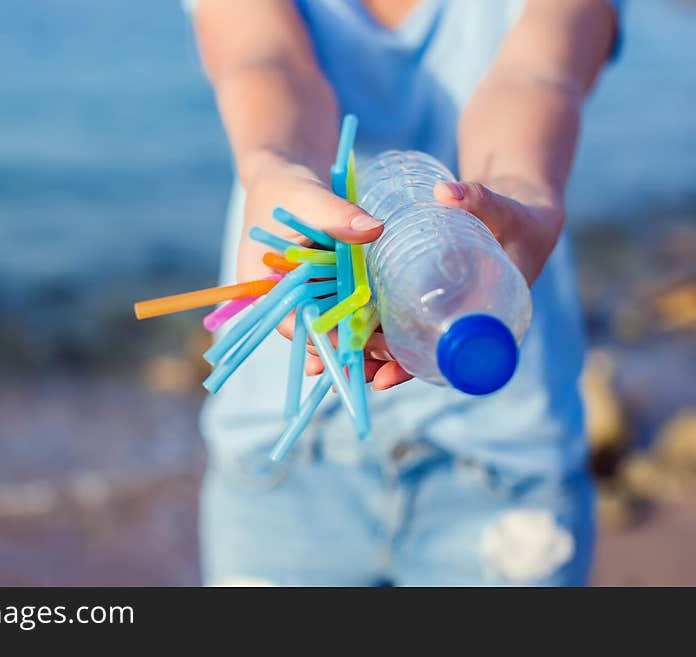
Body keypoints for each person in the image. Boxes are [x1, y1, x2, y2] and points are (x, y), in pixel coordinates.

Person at [190, 0, 621, 585]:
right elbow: (265, 62)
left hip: (507, 462)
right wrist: (276, 171)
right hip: (283, 462)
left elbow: (538, 75)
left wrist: (517, 190)